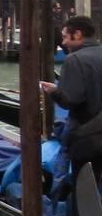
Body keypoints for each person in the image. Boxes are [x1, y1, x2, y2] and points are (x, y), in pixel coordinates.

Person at [42, 16, 102, 184]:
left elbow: (69, 100)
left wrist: (54, 91)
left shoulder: (74, 60)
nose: (63, 42)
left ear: (77, 34)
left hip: (86, 138)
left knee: (84, 187)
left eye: (65, 37)